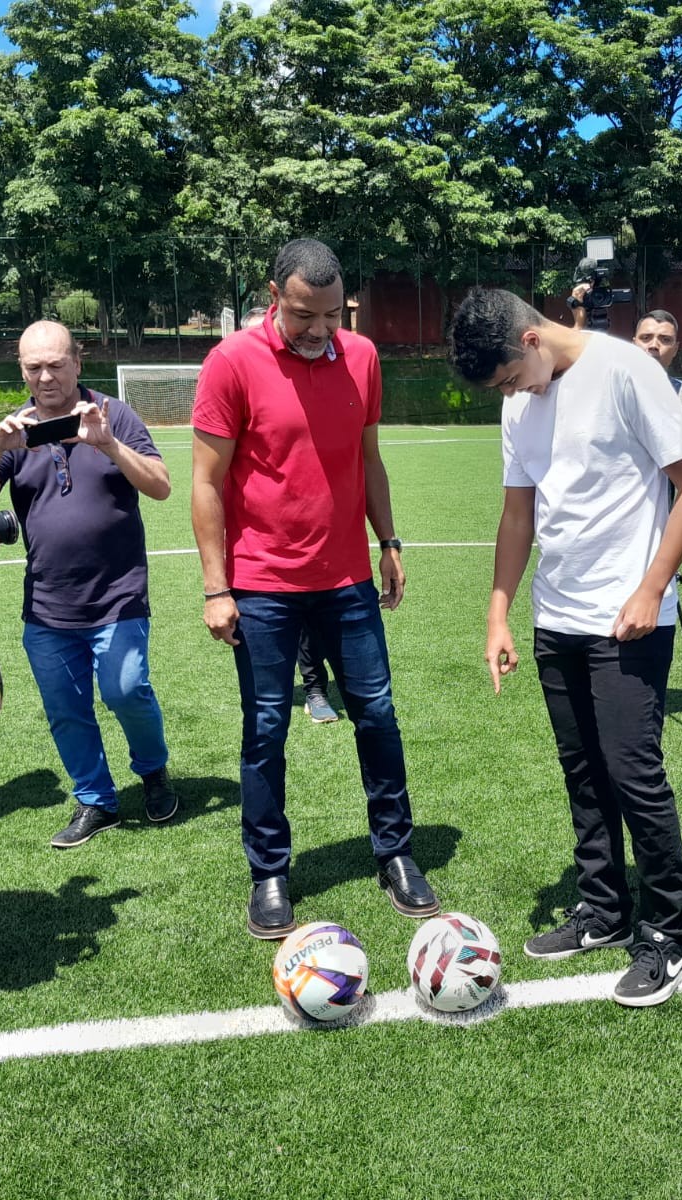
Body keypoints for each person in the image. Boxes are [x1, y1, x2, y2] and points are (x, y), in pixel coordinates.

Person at [447, 287, 682, 1008]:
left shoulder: (628, 370)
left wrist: (652, 587)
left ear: (530, 340)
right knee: (583, 771)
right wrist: (499, 613)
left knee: (634, 774)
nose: (510, 393)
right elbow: (516, 514)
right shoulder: (518, 403)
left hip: (628, 618)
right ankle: (603, 909)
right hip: (555, 616)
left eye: (508, 377)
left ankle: (666, 931)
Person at [192, 238, 440, 940]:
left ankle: (395, 852)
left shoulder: (361, 357)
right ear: (274, 296)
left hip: (347, 578)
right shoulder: (230, 362)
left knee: (379, 715)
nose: (321, 330)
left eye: (333, 315)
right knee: (266, 728)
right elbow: (207, 484)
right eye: (306, 314)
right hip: (262, 585)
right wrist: (217, 588)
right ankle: (269, 870)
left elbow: (370, 459)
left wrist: (388, 542)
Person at [0, 320, 176, 849]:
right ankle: (96, 801)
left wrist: (109, 445)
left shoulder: (112, 413)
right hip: (49, 604)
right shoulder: (18, 428)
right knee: (66, 710)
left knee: (127, 690)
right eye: (34, 367)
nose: (46, 376)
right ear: (22, 371)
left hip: (118, 595)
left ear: (78, 362)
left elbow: (161, 485)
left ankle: (152, 771)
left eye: (56, 364)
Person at [239, 304, 340, 725]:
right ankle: (302, 688)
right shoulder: (235, 375)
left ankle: (315, 686)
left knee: (314, 627)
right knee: (265, 712)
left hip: (319, 548)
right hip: (262, 552)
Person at [633, 310, 682, 444]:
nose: (654, 345)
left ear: (675, 349)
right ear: (633, 344)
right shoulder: (608, 392)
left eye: (665, 339)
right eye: (645, 338)